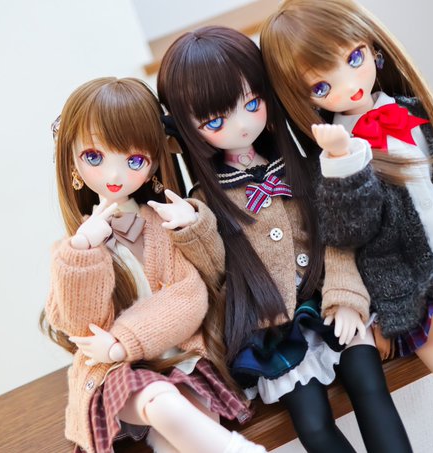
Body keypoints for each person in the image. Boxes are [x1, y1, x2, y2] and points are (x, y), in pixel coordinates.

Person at [260, 1, 433, 452]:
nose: (349, 85)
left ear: (374, 48)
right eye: (323, 85)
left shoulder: (413, 110)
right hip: (402, 281)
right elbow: (352, 232)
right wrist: (343, 161)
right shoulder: (332, 157)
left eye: (354, 58)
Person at [152, 27, 412, 453]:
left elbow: (339, 236)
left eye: (252, 104)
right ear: (187, 131)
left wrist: (347, 296)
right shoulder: (207, 199)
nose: (241, 125)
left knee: (370, 386)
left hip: (329, 303)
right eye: (215, 121)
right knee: (312, 424)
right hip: (272, 328)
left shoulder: (306, 167)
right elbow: (218, 273)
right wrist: (192, 227)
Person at [41, 77, 265, 453]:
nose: (114, 176)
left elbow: (190, 296)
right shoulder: (73, 249)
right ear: (72, 162)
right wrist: (83, 253)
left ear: (155, 161)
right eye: (94, 157)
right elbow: (78, 325)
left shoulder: (160, 226)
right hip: (116, 374)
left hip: (178, 357)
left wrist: (122, 341)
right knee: (160, 401)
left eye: (134, 161)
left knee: (184, 430)